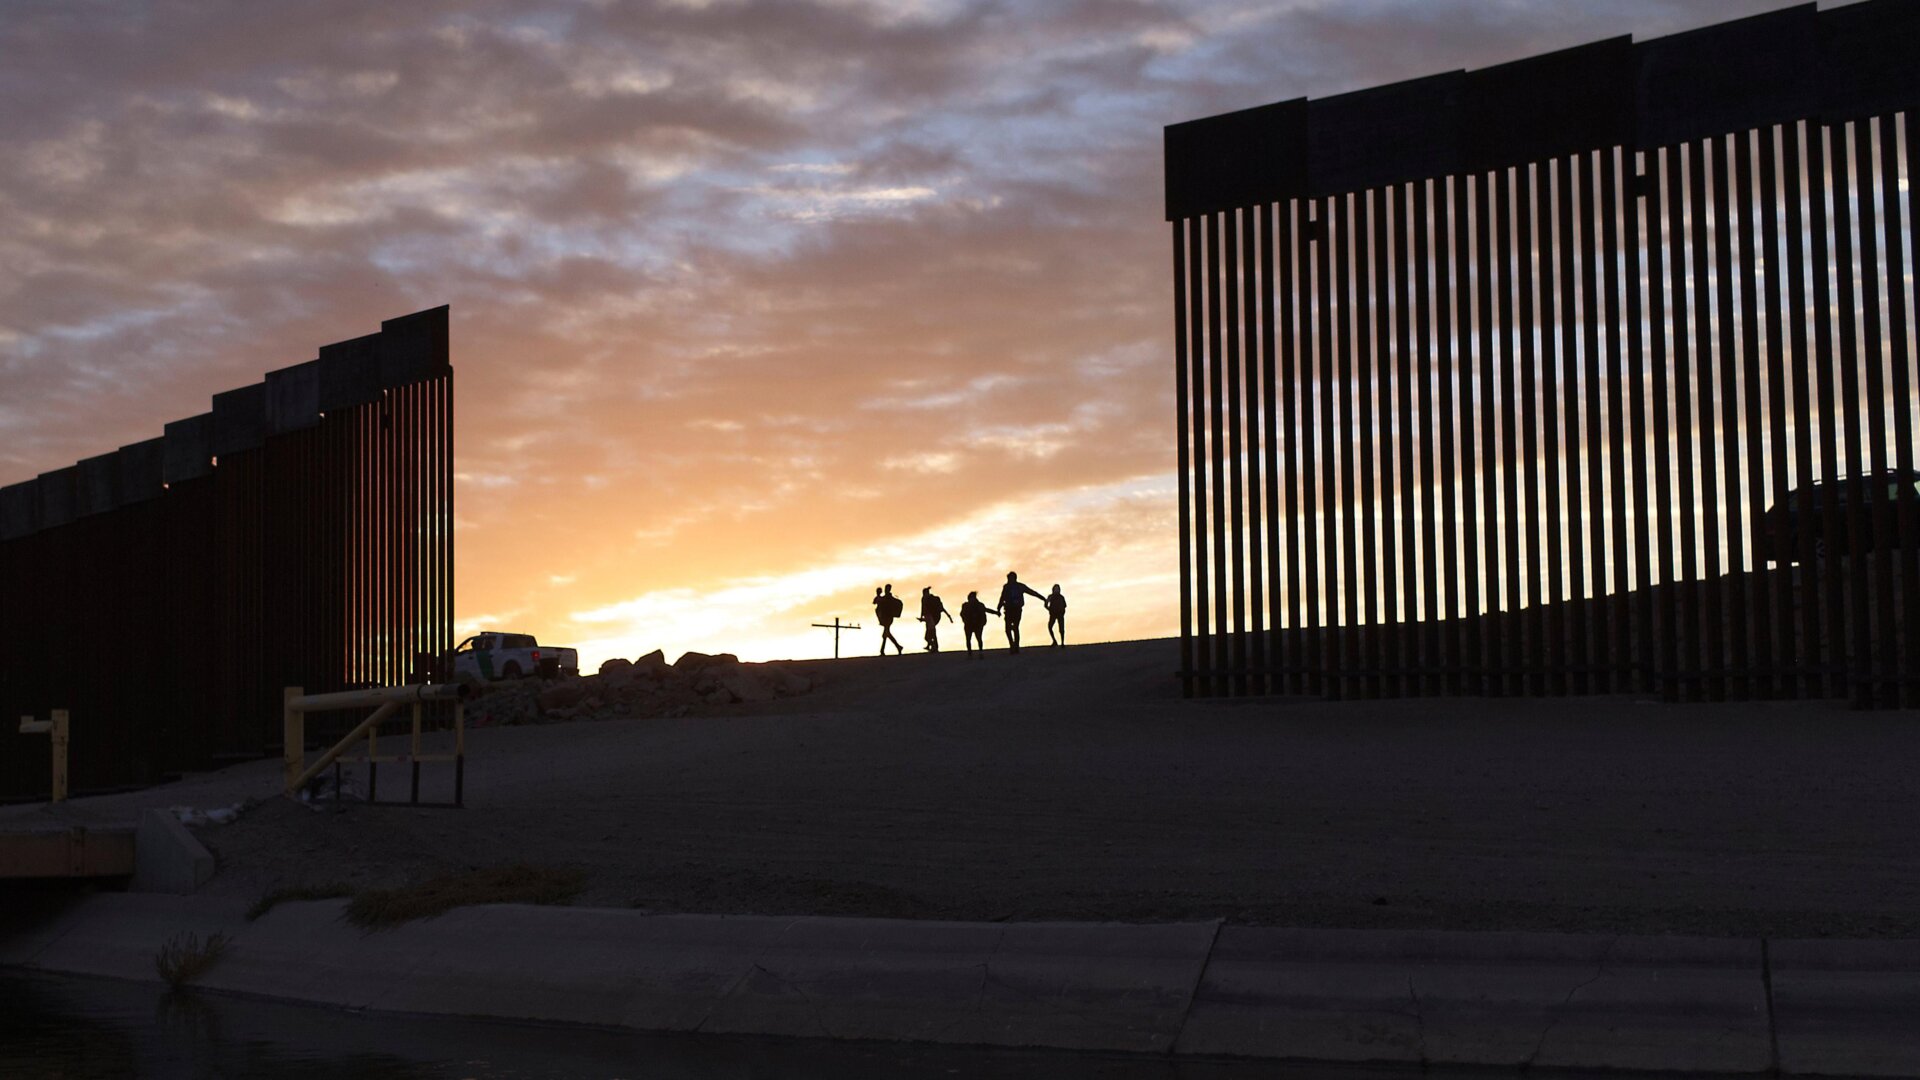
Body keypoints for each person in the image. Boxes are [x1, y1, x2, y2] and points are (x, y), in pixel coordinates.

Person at [997, 571, 1047, 653]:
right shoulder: (1016, 586)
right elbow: (1032, 592)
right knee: (1013, 628)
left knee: (1010, 628)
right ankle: (1014, 646)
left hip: (1012, 610)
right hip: (1013, 610)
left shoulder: (1011, 587)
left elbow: (1002, 598)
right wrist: (1043, 598)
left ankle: (1014, 646)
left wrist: (998, 608)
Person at [918, 586, 952, 652]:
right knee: (932, 632)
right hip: (936, 617)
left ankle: (933, 646)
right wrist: (948, 616)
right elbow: (942, 608)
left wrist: (922, 617)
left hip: (930, 618)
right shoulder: (934, 599)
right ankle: (932, 646)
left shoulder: (925, 599)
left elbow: (923, 609)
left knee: (928, 635)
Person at [873, 585, 905, 656]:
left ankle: (896, 647)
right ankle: (897, 647)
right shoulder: (885, 598)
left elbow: (877, 601)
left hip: (888, 618)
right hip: (886, 618)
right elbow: (875, 601)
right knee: (886, 634)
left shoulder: (888, 598)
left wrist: (878, 596)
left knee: (886, 634)